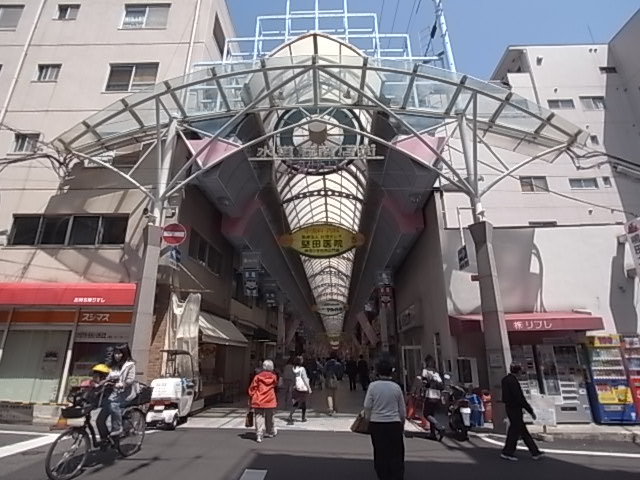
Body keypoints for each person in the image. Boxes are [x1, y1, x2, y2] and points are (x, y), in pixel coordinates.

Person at [364, 359, 406, 480]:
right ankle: (396, 475)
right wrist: (402, 423)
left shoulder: (373, 387)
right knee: (396, 452)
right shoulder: (396, 387)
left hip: (377, 423)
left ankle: (383, 475)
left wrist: (368, 420)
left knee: (380, 451)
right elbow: (402, 409)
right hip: (394, 423)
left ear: (378, 372)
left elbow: (367, 406)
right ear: (391, 372)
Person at [501, 363, 544, 461]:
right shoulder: (513, 382)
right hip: (515, 408)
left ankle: (534, 452)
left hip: (509, 407)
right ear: (519, 371)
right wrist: (530, 410)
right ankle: (508, 452)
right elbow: (519, 397)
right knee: (516, 431)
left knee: (520, 430)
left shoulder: (505, 379)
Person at [96, 344, 136, 438]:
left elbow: (130, 380)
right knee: (100, 420)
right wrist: (100, 384)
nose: (117, 356)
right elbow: (108, 378)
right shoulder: (113, 366)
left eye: (119, 353)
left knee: (114, 405)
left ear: (125, 354)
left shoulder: (130, 365)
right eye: (115, 353)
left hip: (125, 394)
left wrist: (121, 384)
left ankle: (117, 428)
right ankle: (105, 440)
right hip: (112, 395)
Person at [248, 359, 279, 443]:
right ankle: (270, 431)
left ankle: (259, 434)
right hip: (270, 399)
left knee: (259, 417)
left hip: (258, 399)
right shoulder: (274, 376)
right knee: (270, 417)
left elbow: (252, 388)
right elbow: (275, 384)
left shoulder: (258, 376)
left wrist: (251, 396)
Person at [421, 355, 445, 440]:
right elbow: (441, 385)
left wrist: (423, 389)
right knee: (432, 414)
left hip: (430, 394)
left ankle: (439, 427)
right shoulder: (436, 372)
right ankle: (432, 433)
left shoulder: (425, 371)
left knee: (426, 414)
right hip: (437, 395)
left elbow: (424, 382)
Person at [288, 356, 312, 424]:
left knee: (296, 402)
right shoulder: (302, 369)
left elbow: (291, 378)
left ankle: (290, 415)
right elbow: (304, 378)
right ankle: (303, 417)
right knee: (303, 402)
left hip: (295, 387)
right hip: (302, 388)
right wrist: (309, 388)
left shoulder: (293, 369)